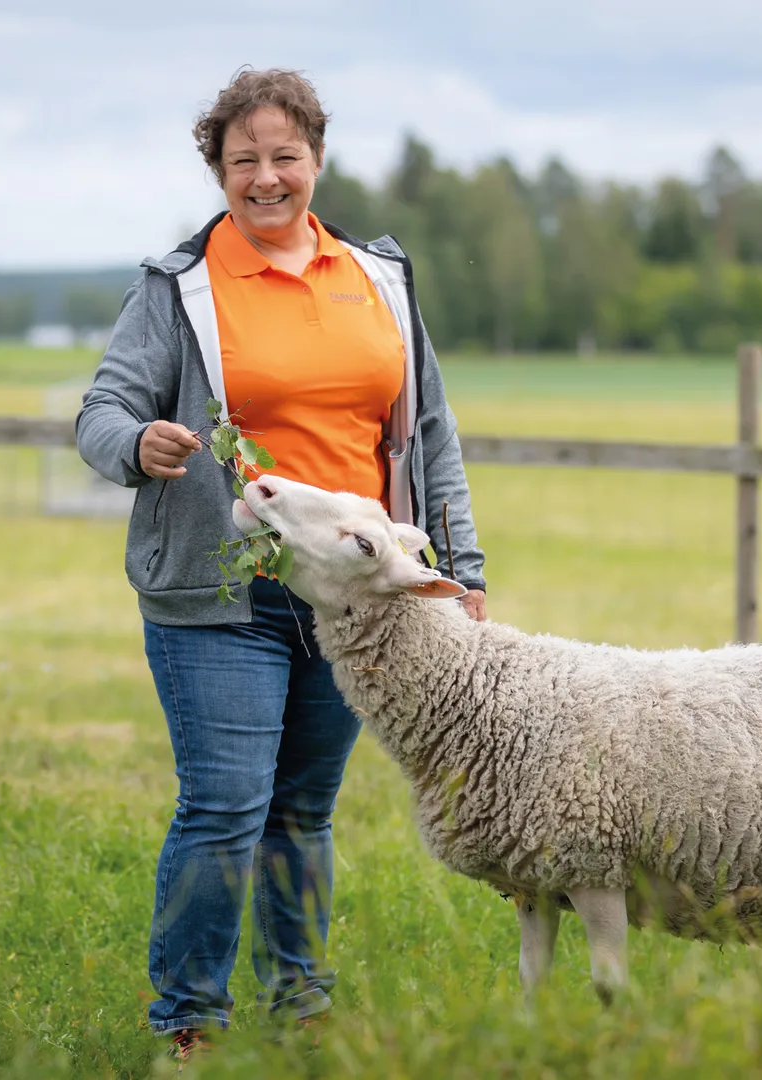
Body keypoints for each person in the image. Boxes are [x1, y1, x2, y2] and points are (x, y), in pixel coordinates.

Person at [75, 66, 487, 1059]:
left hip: (354, 604)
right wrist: (138, 447)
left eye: (284, 157)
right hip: (223, 595)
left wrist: (462, 564)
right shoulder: (178, 287)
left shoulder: (380, 278)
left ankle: (299, 1003)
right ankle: (190, 1025)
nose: (266, 178)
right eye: (243, 159)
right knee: (225, 807)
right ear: (217, 167)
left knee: (303, 811)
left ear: (317, 160)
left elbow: (428, 431)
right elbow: (100, 414)